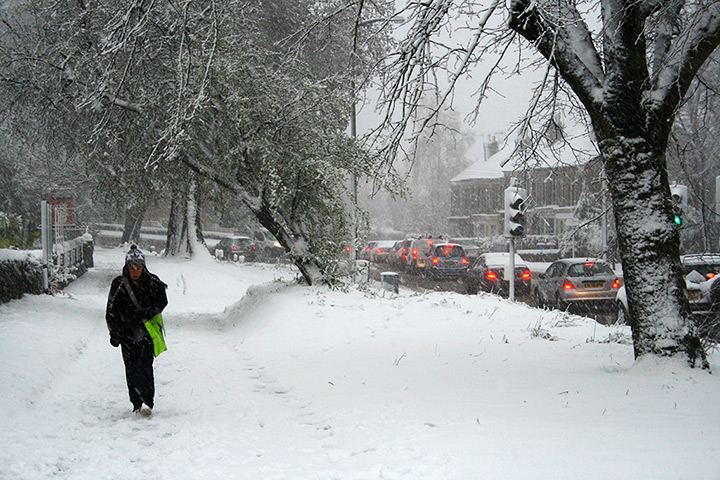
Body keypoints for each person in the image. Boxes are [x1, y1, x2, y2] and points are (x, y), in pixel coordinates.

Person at [106, 245, 168, 416]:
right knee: (131, 369)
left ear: (143, 267)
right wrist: (114, 332)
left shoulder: (153, 282)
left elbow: (162, 301)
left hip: (146, 332)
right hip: (126, 333)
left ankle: (148, 401)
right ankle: (136, 403)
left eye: (138, 267)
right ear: (127, 267)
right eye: (132, 267)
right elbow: (111, 310)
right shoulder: (119, 285)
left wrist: (147, 312)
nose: (135, 271)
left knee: (145, 367)